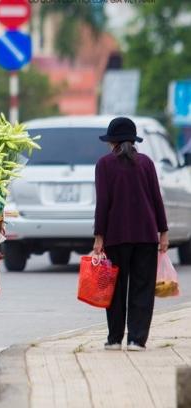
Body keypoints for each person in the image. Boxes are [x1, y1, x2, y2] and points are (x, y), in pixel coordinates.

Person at [93, 117, 169, 352]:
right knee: (142, 287)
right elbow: (156, 199)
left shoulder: (104, 164)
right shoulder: (146, 163)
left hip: (116, 236)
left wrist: (99, 236)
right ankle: (136, 339)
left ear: (112, 142)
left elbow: (103, 203)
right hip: (146, 235)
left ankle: (115, 339)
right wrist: (163, 232)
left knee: (114, 288)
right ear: (132, 141)